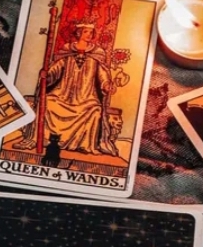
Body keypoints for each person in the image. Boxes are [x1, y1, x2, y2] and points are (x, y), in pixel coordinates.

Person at [14, 22, 122, 156]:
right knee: (47, 103)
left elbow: (102, 74)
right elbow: (56, 69)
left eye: (91, 32)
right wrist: (47, 74)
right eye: (86, 32)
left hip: (87, 97)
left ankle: (83, 144)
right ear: (79, 33)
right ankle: (37, 139)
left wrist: (107, 85)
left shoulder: (97, 53)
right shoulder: (67, 50)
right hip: (62, 94)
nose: (89, 35)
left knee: (95, 111)